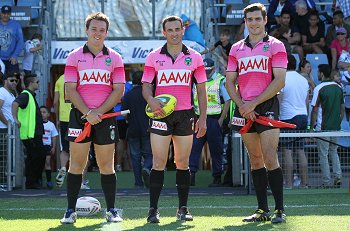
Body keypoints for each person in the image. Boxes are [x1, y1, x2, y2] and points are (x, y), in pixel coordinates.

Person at [60, 12, 125, 224]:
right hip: (80, 117)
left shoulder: (115, 58)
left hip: (105, 118)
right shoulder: (73, 56)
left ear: (107, 32)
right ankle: (70, 211)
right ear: (86, 30)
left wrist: (98, 113)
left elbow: (118, 91)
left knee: (107, 166)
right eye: (94, 29)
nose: (98, 33)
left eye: (102, 30)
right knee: (76, 165)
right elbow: (70, 90)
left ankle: (112, 210)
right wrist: (88, 113)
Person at [226, 3, 288, 223]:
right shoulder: (235, 49)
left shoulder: (276, 45)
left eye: (257, 19)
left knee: (270, 158)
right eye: (249, 19)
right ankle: (262, 210)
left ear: (264, 21)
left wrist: (253, 104)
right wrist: (243, 104)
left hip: (267, 106)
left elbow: (280, 80)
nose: (253, 23)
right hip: (244, 107)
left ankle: (280, 210)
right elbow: (229, 82)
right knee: (255, 160)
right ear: (245, 22)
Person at [142, 15, 207, 223]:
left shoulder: (195, 57)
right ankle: (153, 210)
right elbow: (145, 85)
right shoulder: (153, 56)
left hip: (185, 114)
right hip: (161, 114)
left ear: (183, 30)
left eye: (177, 29)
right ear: (164, 33)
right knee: (159, 161)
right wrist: (151, 100)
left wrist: (203, 118)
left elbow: (202, 90)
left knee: (182, 162)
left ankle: (183, 209)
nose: (174, 33)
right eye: (170, 30)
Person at [189, 58, 230, 187]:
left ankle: (217, 177)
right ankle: (191, 176)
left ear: (214, 68)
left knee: (216, 150)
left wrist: (221, 119)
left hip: (214, 120)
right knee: (194, 148)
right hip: (199, 119)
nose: (206, 73)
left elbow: (228, 100)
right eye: (204, 71)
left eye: (209, 71)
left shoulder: (220, 80)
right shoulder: (196, 81)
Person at [54, 74, 90, 190]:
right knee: (84, 149)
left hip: (65, 118)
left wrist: (57, 118)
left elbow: (55, 101)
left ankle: (63, 167)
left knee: (65, 148)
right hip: (80, 116)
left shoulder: (60, 79)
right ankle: (82, 181)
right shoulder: (83, 77)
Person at [310, 66, 344, 188]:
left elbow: (314, 110)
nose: (317, 74)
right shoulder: (338, 87)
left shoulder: (319, 88)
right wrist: (338, 122)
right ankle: (338, 176)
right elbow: (342, 109)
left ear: (322, 74)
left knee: (323, 155)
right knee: (334, 151)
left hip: (323, 128)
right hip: (336, 127)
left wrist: (311, 127)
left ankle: (326, 181)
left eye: (318, 72)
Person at [279, 55, 309, 189]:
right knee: (300, 150)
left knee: (287, 151)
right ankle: (304, 184)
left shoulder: (282, 79)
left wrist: (277, 116)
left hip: (288, 117)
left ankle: (289, 184)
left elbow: (279, 99)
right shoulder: (303, 79)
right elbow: (306, 101)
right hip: (303, 115)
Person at [12, 73, 46, 189]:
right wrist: (15, 119)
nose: (38, 84)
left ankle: (33, 182)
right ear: (31, 83)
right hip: (30, 134)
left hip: (33, 133)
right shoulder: (26, 95)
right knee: (37, 157)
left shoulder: (29, 95)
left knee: (34, 157)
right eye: (37, 82)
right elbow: (15, 104)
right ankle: (32, 182)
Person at [121, 71, 153, 188]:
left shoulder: (128, 95)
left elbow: (124, 113)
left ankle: (138, 182)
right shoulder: (149, 95)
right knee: (150, 154)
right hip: (147, 128)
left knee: (135, 157)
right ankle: (147, 167)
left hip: (133, 129)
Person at [0, 71, 18, 185]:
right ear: (5, 80)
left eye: (16, 81)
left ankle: (5, 182)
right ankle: (2, 182)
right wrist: (7, 124)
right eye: (11, 80)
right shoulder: (2, 91)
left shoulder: (11, 94)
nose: (14, 83)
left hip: (9, 129)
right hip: (3, 129)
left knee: (7, 157)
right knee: (3, 157)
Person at [114, 81, 132, 172]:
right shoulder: (128, 85)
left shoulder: (109, 83)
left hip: (109, 115)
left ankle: (116, 165)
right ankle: (119, 165)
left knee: (109, 142)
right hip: (122, 116)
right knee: (122, 141)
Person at [0, 5, 24, 73]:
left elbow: (20, 41)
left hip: (11, 58)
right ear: (1, 13)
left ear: (10, 14)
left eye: (8, 14)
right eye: (4, 13)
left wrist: (15, 55)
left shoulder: (16, 25)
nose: (5, 15)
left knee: (15, 79)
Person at [40, 106, 58, 189]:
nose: (42, 114)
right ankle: (39, 180)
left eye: (44, 112)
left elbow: (54, 136)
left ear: (48, 114)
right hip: (39, 146)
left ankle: (49, 180)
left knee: (47, 163)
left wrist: (53, 147)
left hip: (47, 146)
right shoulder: (37, 123)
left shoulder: (51, 125)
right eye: (40, 112)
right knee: (39, 164)